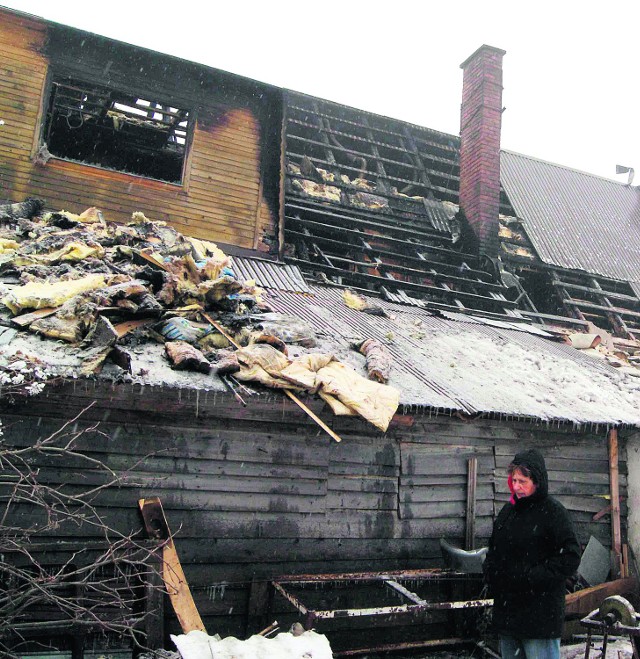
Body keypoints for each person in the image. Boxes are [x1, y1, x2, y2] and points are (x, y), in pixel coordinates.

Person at [483, 448, 581, 659]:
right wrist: (491, 572)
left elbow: (570, 556)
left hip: (540, 616)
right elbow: (494, 548)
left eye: (522, 482)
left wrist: (532, 576)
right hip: (508, 613)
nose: (516, 486)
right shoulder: (508, 512)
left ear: (537, 481)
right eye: (514, 480)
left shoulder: (553, 513)